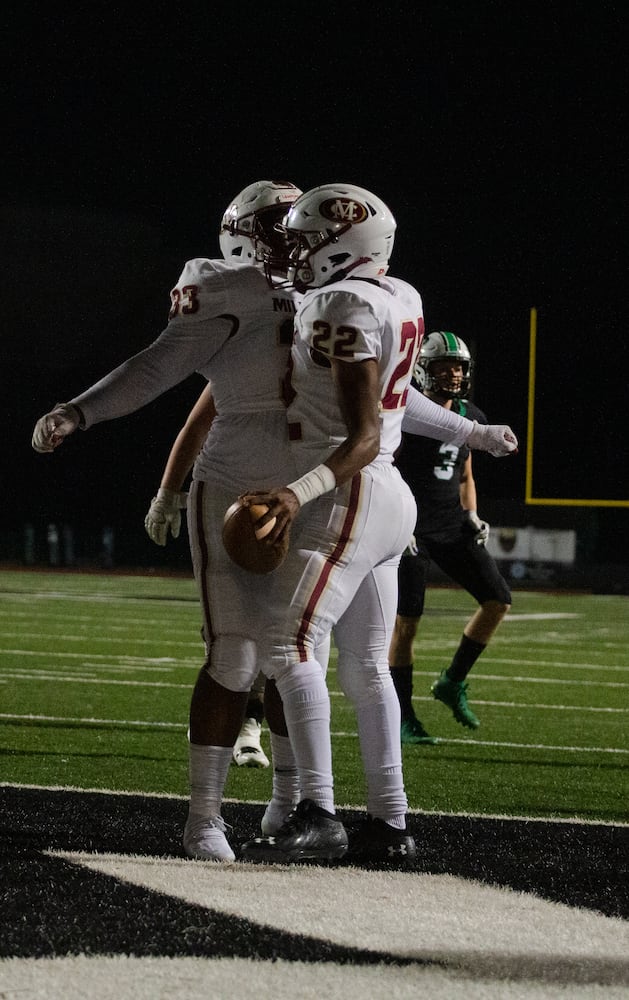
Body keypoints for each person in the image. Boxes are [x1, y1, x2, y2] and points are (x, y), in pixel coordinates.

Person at [236, 185, 518, 864]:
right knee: (365, 666)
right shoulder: (400, 295)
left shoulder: (338, 304)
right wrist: (470, 431)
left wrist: (293, 493)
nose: (294, 254)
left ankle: (318, 810)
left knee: (286, 645)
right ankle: (390, 825)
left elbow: (364, 432)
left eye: (306, 242)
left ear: (346, 242)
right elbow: (402, 401)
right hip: (386, 498)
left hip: (346, 490)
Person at [32, 179, 312, 862]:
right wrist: (81, 409)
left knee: (298, 657)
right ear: (247, 232)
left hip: (315, 481)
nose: (299, 236)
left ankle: (289, 806)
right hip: (241, 478)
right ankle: (203, 818)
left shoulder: (343, 291)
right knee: (235, 651)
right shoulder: (223, 285)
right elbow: (158, 365)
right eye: (284, 224)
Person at [388, 331, 512, 743]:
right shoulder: (409, 414)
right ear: (424, 369)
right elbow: (384, 466)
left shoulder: (470, 413)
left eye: (458, 367)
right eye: (444, 367)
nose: (454, 374)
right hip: (412, 529)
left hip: (452, 524)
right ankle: (403, 716)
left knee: (498, 600)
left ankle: (452, 681)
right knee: (407, 625)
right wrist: (395, 523)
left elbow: (465, 472)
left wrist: (473, 514)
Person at [144, 382, 270, 769]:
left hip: (297, 496)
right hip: (228, 491)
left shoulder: (323, 358)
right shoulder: (247, 354)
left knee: (283, 627)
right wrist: (167, 492)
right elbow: (195, 425)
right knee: (227, 625)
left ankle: (254, 728)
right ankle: (241, 724)